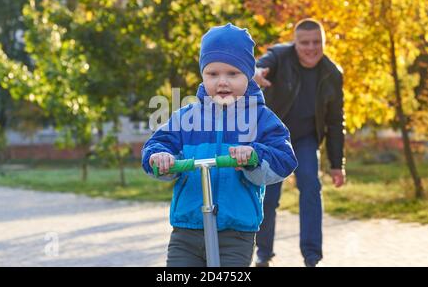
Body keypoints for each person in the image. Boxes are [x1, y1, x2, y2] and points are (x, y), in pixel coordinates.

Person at [141, 23, 298, 267]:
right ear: (203, 75)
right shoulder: (186, 117)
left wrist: (254, 155)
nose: (222, 82)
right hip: (187, 230)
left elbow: (285, 158)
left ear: (248, 74)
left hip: (235, 232)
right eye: (213, 74)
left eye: (232, 74)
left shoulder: (260, 118)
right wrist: (160, 157)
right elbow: (158, 143)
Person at [254, 18, 346, 267]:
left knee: (311, 187)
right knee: (269, 196)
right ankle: (263, 253)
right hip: (273, 138)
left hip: (305, 139)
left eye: (317, 42)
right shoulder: (279, 56)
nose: (311, 48)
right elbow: (262, 64)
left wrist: (337, 164)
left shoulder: (332, 73)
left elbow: (335, 122)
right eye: (304, 42)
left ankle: (312, 257)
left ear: (324, 42)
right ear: (295, 43)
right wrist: (257, 72)